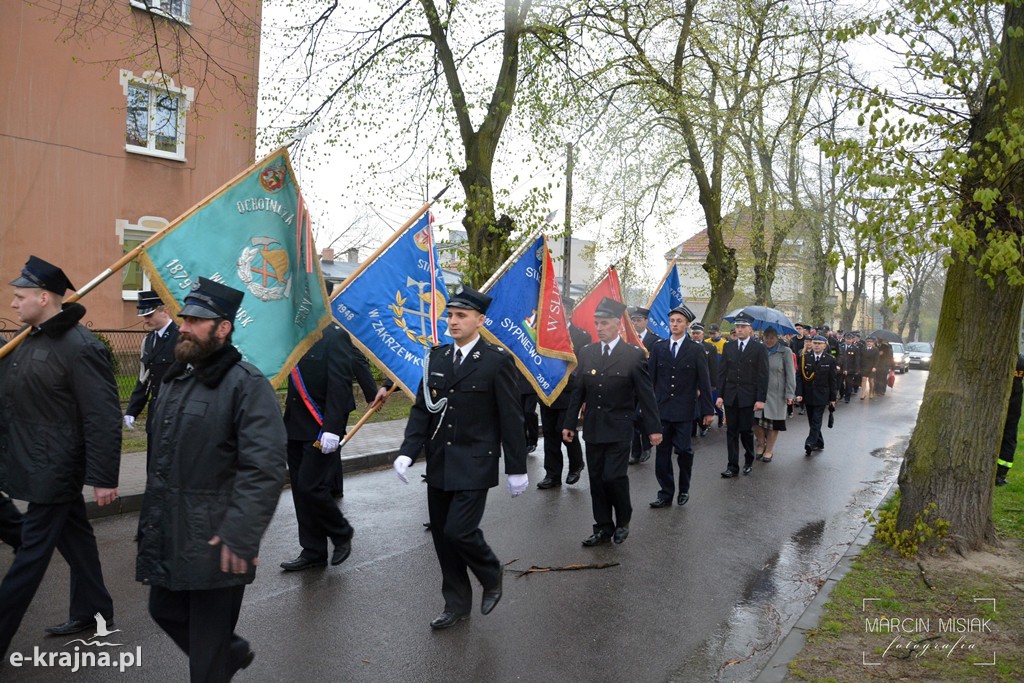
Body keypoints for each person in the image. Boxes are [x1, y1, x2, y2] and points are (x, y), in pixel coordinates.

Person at [136, 277, 287, 680]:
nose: (184, 326)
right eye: (184, 317)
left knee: (205, 660)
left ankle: (221, 653)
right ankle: (229, 651)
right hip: (173, 530)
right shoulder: (175, 379)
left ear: (223, 328)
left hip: (219, 540)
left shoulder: (247, 385)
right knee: (162, 609)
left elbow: (265, 467)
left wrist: (241, 532)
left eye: (196, 320)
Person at [0, 256, 121, 656]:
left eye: (20, 297)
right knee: (77, 540)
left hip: (55, 468)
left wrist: (104, 476)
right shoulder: (28, 339)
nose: (14, 304)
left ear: (44, 297)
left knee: (30, 558)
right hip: (34, 460)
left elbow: (102, 416)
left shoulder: (80, 348)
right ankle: (95, 609)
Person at [393, 287, 528, 630]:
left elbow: (511, 417)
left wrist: (516, 468)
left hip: (475, 461)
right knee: (442, 537)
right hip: (440, 461)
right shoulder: (436, 357)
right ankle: (456, 604)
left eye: (461, 315)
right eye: (450, 315)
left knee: (459, 530)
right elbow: (423, 410)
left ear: (480, 321)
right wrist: (408, 452)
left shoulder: (497, 361)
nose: (452, 321)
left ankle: (490, 571)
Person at [280, 321, 386, 572]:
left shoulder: (334, 335)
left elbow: (339, 383)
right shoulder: (293, 331)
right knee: (300, 489)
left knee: (311, 485)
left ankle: (341, 532)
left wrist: (331, 427)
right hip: (295, 423)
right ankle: (313, 551)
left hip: (321, 425)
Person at [563, 297, 661, 545]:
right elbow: (578, 392)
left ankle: (623, 520)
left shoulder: (633, 355)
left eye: (604, 323)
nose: (599, 328)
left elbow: (646, 395)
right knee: (596, 479)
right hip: (594, 427)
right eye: (596, 323)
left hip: (619, 427)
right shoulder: (587, 353)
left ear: (618, 325)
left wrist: (653, 429)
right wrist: (569, 423)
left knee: (613, 477)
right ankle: (602, 527)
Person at [648, 305, 713, 508]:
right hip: (662, 409)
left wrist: (708, 410)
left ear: (687, 325)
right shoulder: (659, 347)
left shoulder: (695, 350)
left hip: (685, 411)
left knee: (684, 451)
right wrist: (647, 408)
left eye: (679, 321)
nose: (675, 324)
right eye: (672, 321)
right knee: (662, 453)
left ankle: (683, 488)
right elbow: (651, 381)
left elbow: (704, 381)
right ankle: (665, 493)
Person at [537, 300, 591, 489]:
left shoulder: (582, 337)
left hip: (570, 392)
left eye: (561, 312)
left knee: (564, 429)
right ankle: (552, 475)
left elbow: (584, 367)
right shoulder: (543, 334)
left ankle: (576, 464)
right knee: (550, 433)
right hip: (548, 390)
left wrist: (584, 396)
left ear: (569, 314)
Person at [123, 290, 180, 467]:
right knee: (153, 466)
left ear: (165, 310)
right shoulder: (148, 341)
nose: (146, 320)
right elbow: (144, 379)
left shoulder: (181, 338)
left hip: (175, 413)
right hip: (155, 412)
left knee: (172, 467)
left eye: (149, 314)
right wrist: (133, 410)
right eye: (144, 315)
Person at [716, 311, 769, 478]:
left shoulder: (759, 348)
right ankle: (732, 466)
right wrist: (720, 395)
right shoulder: (729, 346)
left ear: (750, 329)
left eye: (742, 327)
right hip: (731, 395)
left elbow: (763, 375)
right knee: (731, 431)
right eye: (737, 326)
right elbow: (722, 372)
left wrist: (761, 399)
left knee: (746, 430)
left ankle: (748, 459)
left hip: (748, 396)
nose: (739, 329)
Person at [753, 327, 795, 464]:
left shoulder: (785, 352)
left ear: (777, 338)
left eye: (771, 337)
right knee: (756, 421)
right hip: (758, 392)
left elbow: (790, 375)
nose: (768, 340)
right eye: (766, 337)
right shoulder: (758, 350)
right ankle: (761, 444)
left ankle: (769, 449)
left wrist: (790, 393)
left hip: (777, 394)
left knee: (774, 424)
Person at [795, 335, 839, 456]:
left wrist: (832, 399)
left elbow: (833, 381)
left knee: (816, 419)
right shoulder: (804, 358)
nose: (816, 345)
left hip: (822, 395)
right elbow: (799, 377)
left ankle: (810, 442)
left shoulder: (830, 360)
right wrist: (798, 393)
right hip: (808, 394)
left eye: (819, 343)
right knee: (811, 420)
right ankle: (819, 442)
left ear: (825, 346)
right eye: (814, 343)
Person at [628, 306, 661, 464]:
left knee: (642, 417)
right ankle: (635, 452)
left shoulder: (654, 341)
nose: (635, 323)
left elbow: (655, 366)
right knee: (632, 419)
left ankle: (646, 445)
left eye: (639, 320)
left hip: (647, 384)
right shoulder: (628, 338)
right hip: (630, 386)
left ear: (646, 321)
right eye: (633, 320)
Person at [996, 353, 1024, 486]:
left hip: (997, 404)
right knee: (1009, 438)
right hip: (1014, 406)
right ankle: (1001, 475)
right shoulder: (1021, 360)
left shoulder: (998, 357)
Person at [689, 322, 719, 437]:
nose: (695, 335)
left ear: (702, 334)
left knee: (703, 406)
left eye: (698, 333)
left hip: (704, 382)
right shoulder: (687, 346)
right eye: (693, 333)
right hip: (691, 383)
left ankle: (703, 426)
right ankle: (691, 429)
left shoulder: (710, 348)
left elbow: (713, 367)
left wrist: (713, 384)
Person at [838, 332, 860, 403]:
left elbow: (856, 360)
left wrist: (856, 370)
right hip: (841, 368)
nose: (848, 340)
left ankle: (847, 397)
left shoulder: (855, 348)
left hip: (850, 369)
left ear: (852, 340)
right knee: (840, 383)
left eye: (850, 339)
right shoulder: (841, 346)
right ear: (845, 339)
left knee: (849, 384)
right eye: (847, 339)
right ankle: (842, 394)